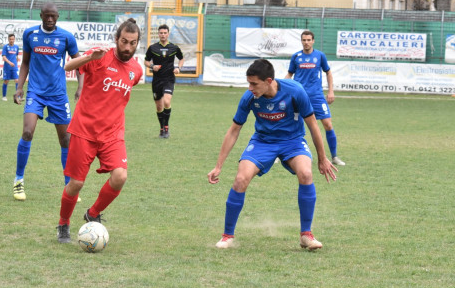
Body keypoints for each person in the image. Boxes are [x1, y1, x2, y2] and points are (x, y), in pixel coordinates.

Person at [208, 59, 337, 250]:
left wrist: (322, 157)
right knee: (240, 179)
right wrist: (218, 166)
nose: (250, 88)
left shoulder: (295, 91)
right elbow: (234, 130)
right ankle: (227, 236)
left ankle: (306, 235)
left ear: (269, 81)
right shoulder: (249, 97)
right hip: (262, 142)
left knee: (306, 174)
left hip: (292, 141)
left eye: (254, 84)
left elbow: (312, 125)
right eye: (248, 83)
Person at [55, 18, 143, 243]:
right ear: (116, 39)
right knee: (76, 183)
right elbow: (67, 67)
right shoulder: (99, 55)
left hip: (113, 134)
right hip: (84, 130)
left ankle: (92, 214)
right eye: (124, 41)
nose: (127, 47)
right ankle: (63, 224)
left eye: (132, 43)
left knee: (120, 176)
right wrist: (89, 57)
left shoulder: (136, 71)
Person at [11, 2, 82, 201]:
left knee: (66, 140)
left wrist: (80, 87)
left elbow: (79, 64)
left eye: (53, 16)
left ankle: (69, 185)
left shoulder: (66, 37)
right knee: (27, 131)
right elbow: (25, 62)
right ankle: (18, 181)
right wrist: (19, 87)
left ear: (58, 17)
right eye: (46, 16)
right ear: (41, 15)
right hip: (35, 92)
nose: (50, 19)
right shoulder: (30, 35)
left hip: (58, 95)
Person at [286, 30, 345, 166]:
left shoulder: (320, 56)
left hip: (317, 96)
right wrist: (280, 89)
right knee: (290, 125)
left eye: (308, 40)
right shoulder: (296, 57)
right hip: (299, 96)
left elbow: (328, 73)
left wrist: (331, 91)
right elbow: (289, 75)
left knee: (328, 124)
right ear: (301, 41)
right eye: (304, 40)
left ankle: (334, 157)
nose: (306, 42)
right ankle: (281, 153)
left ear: (313, 41)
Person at [144, 24, 184, 138]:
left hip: (169, 79)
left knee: (167, 102)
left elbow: (181, 58)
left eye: (165, 33)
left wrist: (178, 68)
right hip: (157, 80)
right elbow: (146, 61)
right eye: (161, 33)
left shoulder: (174, 47)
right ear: (158, 34)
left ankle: (166, 127)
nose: (163, 35)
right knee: (159, 107)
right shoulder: (153, 48)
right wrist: (152, 66)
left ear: (168, 33)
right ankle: (162, 128)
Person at [1, 33, 19, 101]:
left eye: (13, 39)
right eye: (10, 39)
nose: (12, 40)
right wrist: (9, 63)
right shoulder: (5, 47)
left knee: (17, 80)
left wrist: (16, 63)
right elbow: (4, 57)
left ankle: (17, 96)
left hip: (14, 67)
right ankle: (4, 96)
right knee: (6, 81)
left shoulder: (16, 47)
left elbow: (16, 56)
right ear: (8, 39)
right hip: (7, 67)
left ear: (14, 39)